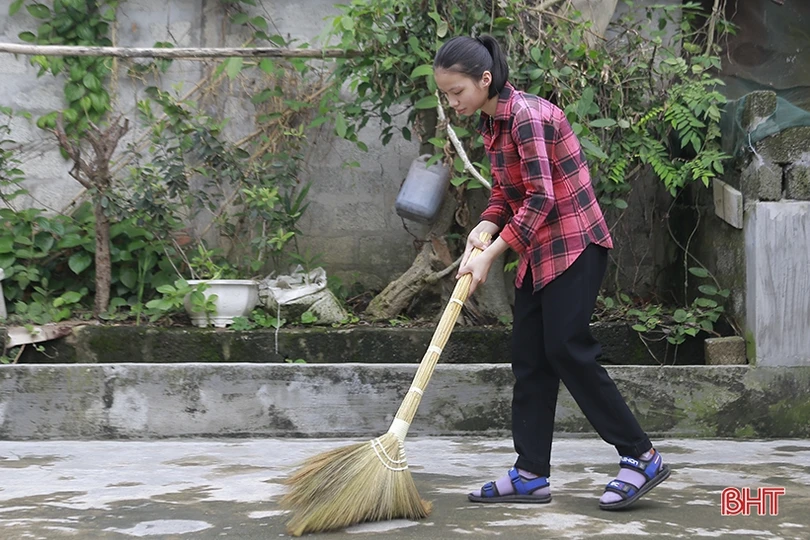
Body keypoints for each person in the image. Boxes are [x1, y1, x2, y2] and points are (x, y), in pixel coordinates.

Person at [433, 35, 670, 510]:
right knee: (530, 358)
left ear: (485, 80)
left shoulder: (526, 117)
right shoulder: (492, 123)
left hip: (574, 244)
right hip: (538, 250)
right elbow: (506, 193)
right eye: (447, 94)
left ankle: (641, 456)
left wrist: (493, 253)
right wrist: (483, 226)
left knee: (567, 348)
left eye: (457, 91)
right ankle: (529, 474)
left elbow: (542, 197)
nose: (452, 102)